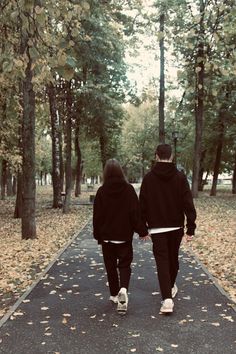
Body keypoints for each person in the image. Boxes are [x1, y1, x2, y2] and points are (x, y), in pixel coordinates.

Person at [139, 144, 196, 314]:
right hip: (176, 226)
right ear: (171, 157)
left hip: (157, 228)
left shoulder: (149, 178)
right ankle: (169, 290)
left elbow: (142, 205)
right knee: (173, 259)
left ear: (156, 156)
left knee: (163, 262)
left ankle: (167, 298)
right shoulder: (180, 178)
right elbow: (188, 204)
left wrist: (143, 229)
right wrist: (190, 227)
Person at [93, 158, 149, 315]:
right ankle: (123, 289)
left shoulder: (101, 192)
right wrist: (142, 231)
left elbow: (97, 217)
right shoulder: (128, 190)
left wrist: (98, 235)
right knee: (124, 265)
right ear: (120, 171)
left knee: (110, 267)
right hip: (124, 237)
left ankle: (113, 294)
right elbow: (135, 214)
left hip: (107, 238)